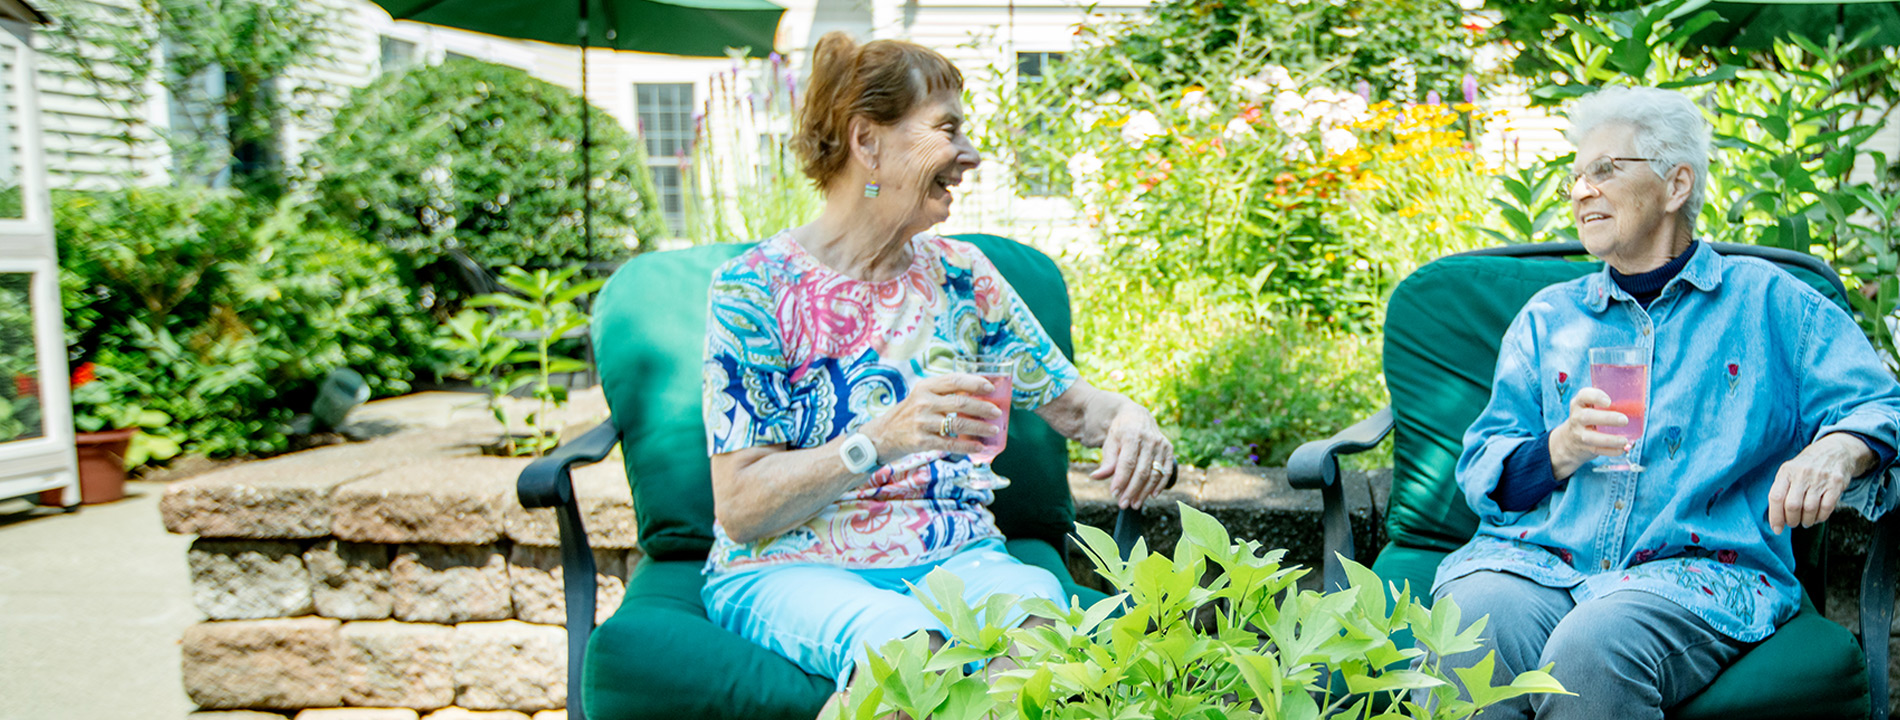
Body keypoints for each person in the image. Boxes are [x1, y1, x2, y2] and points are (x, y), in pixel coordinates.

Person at [698, 31, 1175, 714]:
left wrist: (1131, 417)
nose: (971, 156)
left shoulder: (963, 277)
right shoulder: (754, 289)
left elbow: (1077, 408)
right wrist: (883, 438)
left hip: (959, 558)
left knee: (1047, 643)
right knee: (906, 654)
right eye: (948, 129)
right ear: (868, 142)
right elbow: (742, 510)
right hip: (790, 563)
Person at [1428, 85, 1900, 718]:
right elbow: (1486, 471)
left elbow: (1882, 404)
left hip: (1696, 573)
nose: (1579, 190)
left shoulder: (1769, 304)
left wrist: (1841, 449)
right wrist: (1559, 449)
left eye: (1604, 170)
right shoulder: (1550, 318)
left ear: (1677, 185)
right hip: (1541, 561)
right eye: (1574, 176)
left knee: (1593, 647)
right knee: (1467, 626)